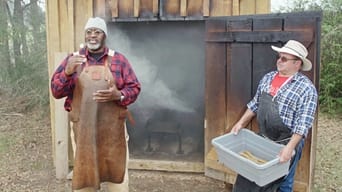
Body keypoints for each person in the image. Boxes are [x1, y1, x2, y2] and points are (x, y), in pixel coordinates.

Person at [51, 17, 141, 192]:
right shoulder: (73, 60)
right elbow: (56, 91)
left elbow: (135, 88)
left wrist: (119, 95)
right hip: (83, 129)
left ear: (104, 36)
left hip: (113, 130)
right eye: (89, 32)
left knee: (118, 179)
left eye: (97, 32)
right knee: (85, 177)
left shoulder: (119, 60)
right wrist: (67, 73)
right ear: (85, 35)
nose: (92, 36)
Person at [228, 40, 318, 192]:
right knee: (251, 175)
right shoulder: (268, 78)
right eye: (279, 57)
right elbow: (255, 103)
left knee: (283, 181)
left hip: (287, 141)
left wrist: (289, 148)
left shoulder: (306, 89)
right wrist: (240, 123)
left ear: (297, 63)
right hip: (264, 137)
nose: (279, 61)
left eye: (284, 58)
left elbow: (303, 123)